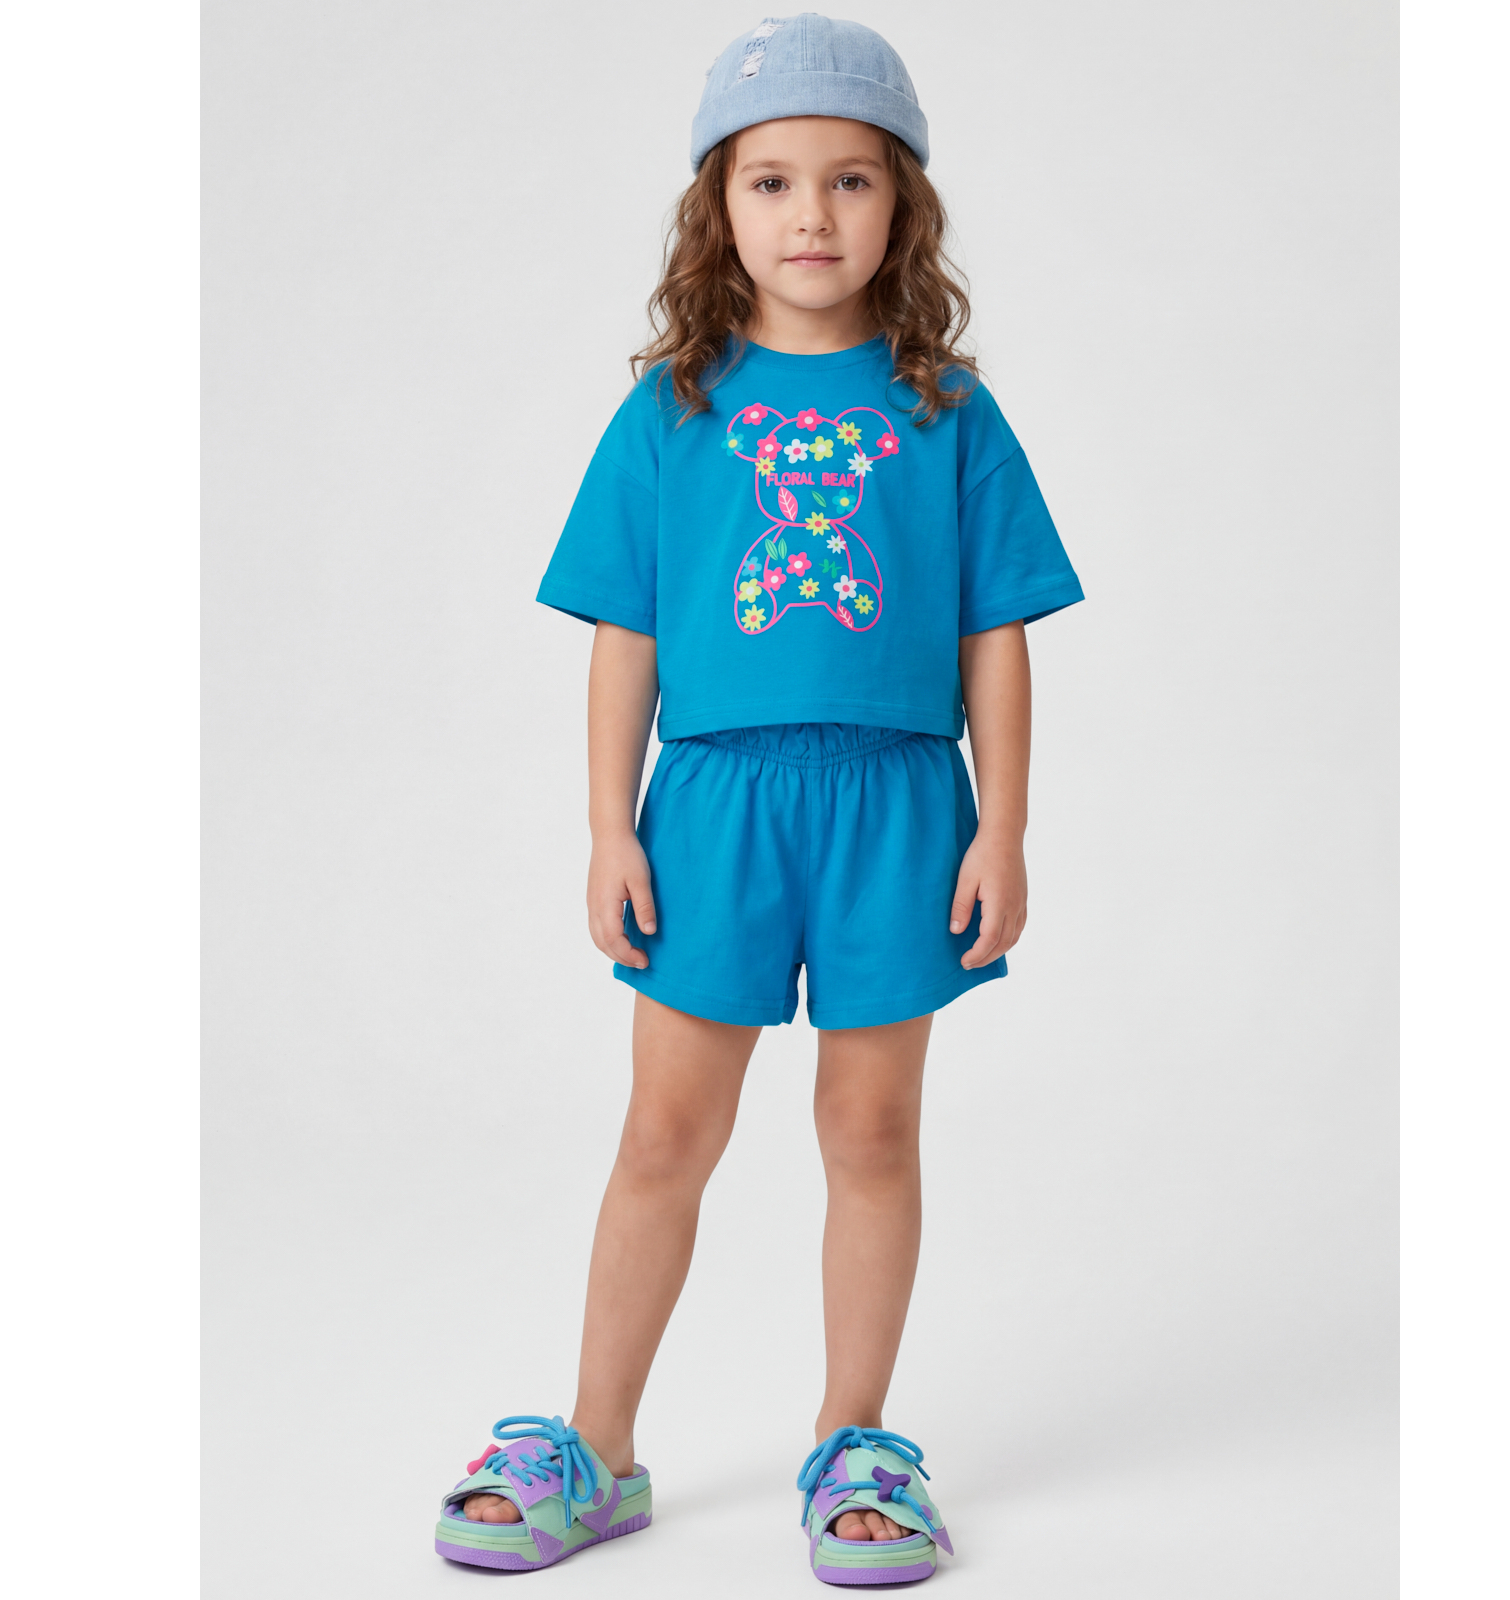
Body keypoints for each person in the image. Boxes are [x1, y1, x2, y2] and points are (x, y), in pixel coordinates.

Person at [432, 14, 1083, 1586]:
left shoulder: (950, 411)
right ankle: (598, 1447)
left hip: (897, 808)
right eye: (772, 181)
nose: (811, 216)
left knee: (872, 1125)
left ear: (901, 205)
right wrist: (610, 824)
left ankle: (857, 1440)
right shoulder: (672, 409)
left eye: (850, 180)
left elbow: (995, 636)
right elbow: (627, 635)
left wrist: (1002, 825)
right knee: (666, 1130)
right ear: (716, 206)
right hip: (714, 807)